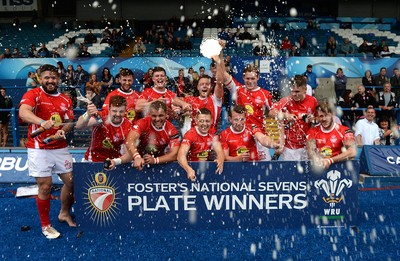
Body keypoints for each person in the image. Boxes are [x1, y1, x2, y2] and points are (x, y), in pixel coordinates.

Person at [19, 64, 75, 239]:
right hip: (39, 147)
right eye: (47, 77)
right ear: (39, 78)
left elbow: (69, 122)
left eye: (53, 78)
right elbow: (23, 112)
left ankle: (64, 213)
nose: (50, 81)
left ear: (58, 79)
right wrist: (42, 122)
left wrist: (62, 131)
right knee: (45, 186)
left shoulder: (66, 99)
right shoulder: (33, 94)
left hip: (60, 147)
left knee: (72, 183)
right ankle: (46, 226)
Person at [115, 100, 181, 170]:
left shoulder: (171, 129)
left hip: (160, 162)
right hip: (139, 160)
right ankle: (115, 161)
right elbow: (130, 140)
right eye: (154, 116)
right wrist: (137, 156)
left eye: (160, 115)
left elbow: (174, 154)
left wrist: (155, 160)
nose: (157, 119)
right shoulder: (143, 122)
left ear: (166, 114)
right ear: (149, 114)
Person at [269, 75, 318, 161]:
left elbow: (319, 119)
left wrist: (313, 119)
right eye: (292, 91)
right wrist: (286, 115)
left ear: (305, 89)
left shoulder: (313, 101)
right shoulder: (287, 100)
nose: (294, 94)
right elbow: (271, 112)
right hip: (290, 148)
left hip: (307, 146)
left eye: (297, 91)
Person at [76, 95, 132, 162]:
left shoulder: (128, 125)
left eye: (121, 111)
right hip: (93, 160)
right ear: (109, 108)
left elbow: (129, 155)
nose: (118, 114)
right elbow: (79, 125)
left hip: (115, 162)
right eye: (114, 111)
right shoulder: (101, 116)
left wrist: (115, 162)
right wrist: (88, 114)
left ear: (125, 110)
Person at [177, 108, 224, 181]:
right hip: (192, 169)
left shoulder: (213, 133)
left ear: (211, 121)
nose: (204, 124)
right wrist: (188, 168)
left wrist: (220, 159)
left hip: (208, 170)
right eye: (201, 121)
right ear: (196, 121)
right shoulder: (190, 134)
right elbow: (181, 155)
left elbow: (219, 151)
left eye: (207, 121)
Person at [306, 102, 356, 169]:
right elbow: (311, 152)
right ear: (317, 117)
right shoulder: (312, 132)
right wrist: (317, 160)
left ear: (332, 115)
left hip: (340, 168)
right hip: (320, 168)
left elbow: (352, 152)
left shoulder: (345, 130)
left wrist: (330, 160)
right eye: (321, 116)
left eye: (326, 115)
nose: (324, 119)